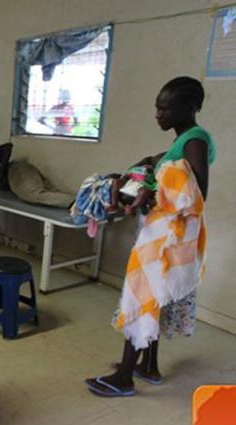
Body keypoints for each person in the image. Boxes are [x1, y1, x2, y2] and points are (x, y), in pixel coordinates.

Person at [85, 76, 216, 397]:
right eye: (157, 107)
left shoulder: (195, 140)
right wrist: (137, 173)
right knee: (153, 297)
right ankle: (149, 365)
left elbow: (196, 196)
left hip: (169, 238)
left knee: (141, 296)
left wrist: (149, 194)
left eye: (165, 108)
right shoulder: (182, 140)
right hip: (165, 234)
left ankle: (125, 377)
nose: (158, 114)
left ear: (190, 108)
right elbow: (159, 168)